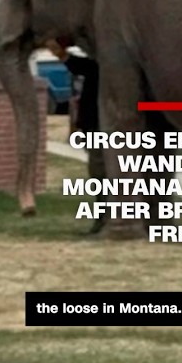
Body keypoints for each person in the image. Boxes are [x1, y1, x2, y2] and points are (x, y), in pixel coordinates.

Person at [45, 40, 107, 235]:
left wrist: (63, 55)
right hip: (94, 124)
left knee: (101, 171)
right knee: (100, 173)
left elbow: (86, 67)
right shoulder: (98, 63)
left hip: (102, 124)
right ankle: (104, 219)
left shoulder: (103, 65)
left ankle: (105, 220)